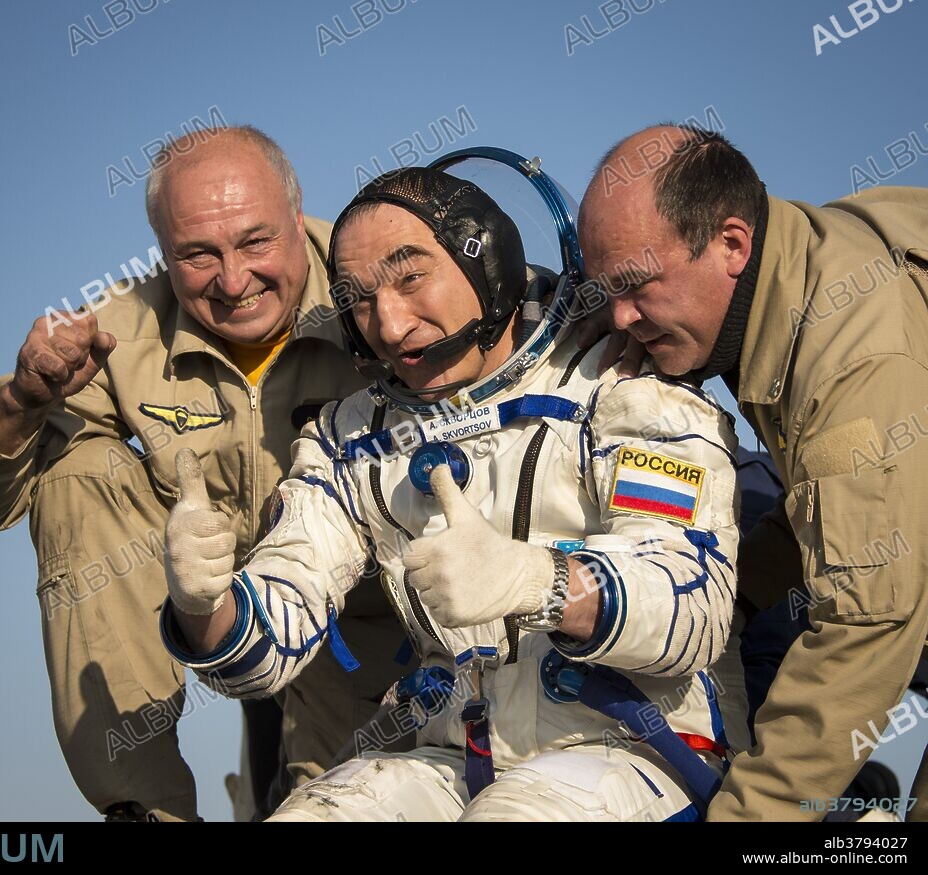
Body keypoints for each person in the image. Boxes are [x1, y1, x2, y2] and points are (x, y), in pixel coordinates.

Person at [160, 164, 750, 821]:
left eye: (411, 276)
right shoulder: (352, 437)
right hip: (456, 762)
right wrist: (202, 605)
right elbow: (273, 632)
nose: (389, 322)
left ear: (488, 261)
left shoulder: (623, 385)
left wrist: (540, 581)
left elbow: (691, 608)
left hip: (632, 753)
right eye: (359, 297)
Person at [0, 126, 405, 821]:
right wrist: (22, 401)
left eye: (255, 241)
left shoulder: (387, 285)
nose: (234, 282)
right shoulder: (117, 332)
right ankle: (142, 807)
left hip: (355, 617)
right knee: (79, 469)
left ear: (299, 217)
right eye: (197, 254)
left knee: (336, 804)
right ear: (163, 253)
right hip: (199, 600)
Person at [577, 124, 928, 821]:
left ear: (732, 244)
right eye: (604, 291)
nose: (620, 316)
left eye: (637, 284)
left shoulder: (851, 354)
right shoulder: (774, 291)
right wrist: (725, 604)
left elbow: (870, 621)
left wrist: (748, 815)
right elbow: (825, 514)